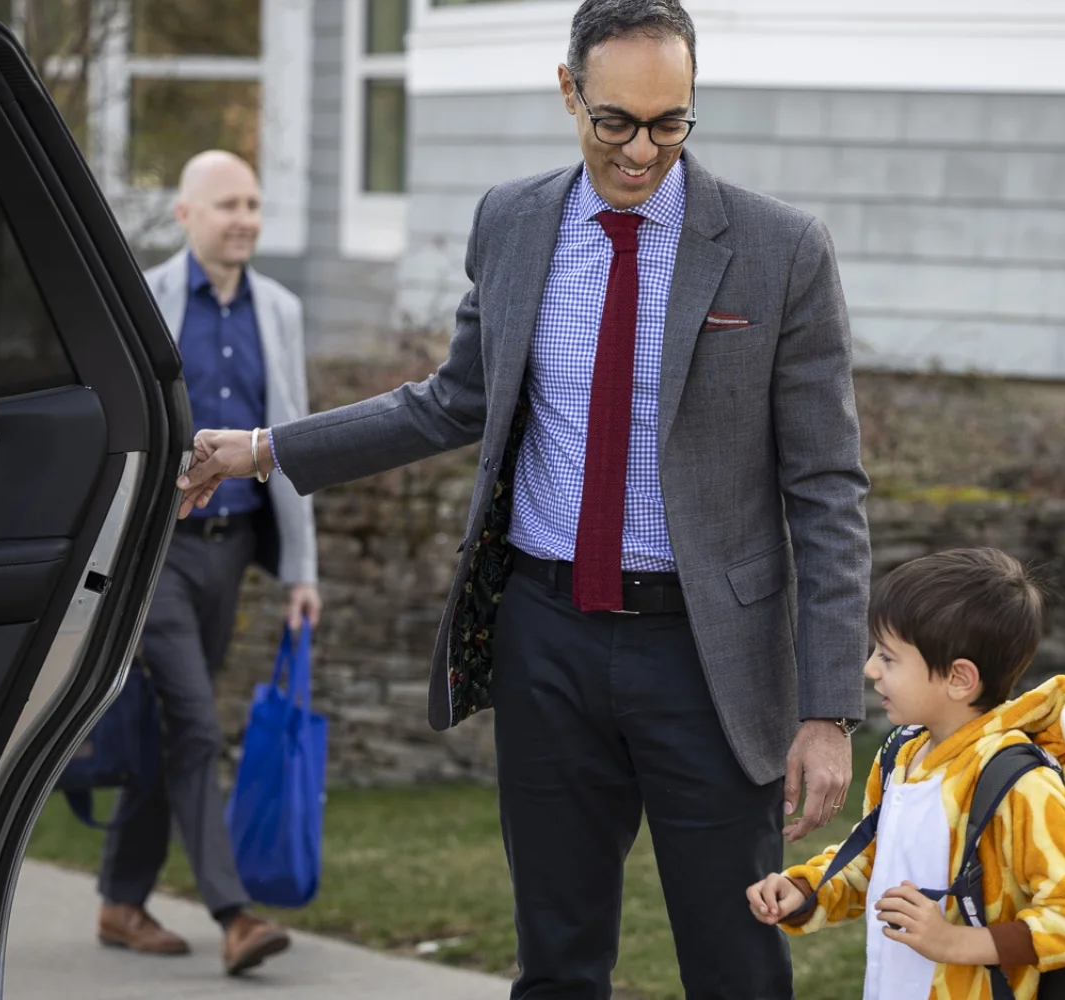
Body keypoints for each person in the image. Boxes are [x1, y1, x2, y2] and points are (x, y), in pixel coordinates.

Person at [172, 0, 872, 994]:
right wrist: (264, 449)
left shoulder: (780, 249)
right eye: (616, 120)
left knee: (736, 964)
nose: (642, 150)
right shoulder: (512, 222)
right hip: (547, 641)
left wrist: (829, 708)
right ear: (568, 92)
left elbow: (826, 489)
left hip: (709, 658)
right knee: (556, 962)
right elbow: (451, 401)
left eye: (669, 123)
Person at [95, 150, 320, 976]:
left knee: (173, 730)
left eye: (253, 204)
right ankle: (234, 915)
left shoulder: (281, 310)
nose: (244, 220)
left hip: (233, 556)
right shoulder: (147, 301)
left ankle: (121, 900)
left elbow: (291, 436)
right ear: (186, 214)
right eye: (227, 205)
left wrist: (302, 572)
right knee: (195, 722)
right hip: (158, 556)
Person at [747, 548, 1065, 1000]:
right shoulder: (901, 755)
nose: (869, 668)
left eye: (888, 657)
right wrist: (805, 890)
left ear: (959, 679)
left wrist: (955, 942)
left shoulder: (1019, 783)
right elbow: (877, 862)